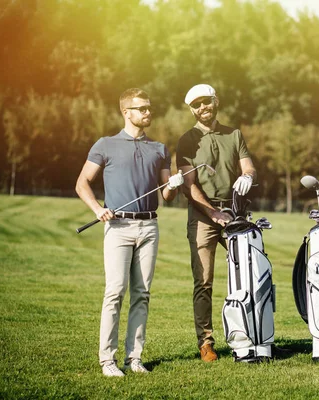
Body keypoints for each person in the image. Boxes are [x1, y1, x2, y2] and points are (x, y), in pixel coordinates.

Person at [75, 88, 184, 377]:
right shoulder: (105, 145)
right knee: (115, 292)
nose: (148, 112)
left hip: (149, 226)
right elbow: (82, 183)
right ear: (127, 112)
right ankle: (107, 361)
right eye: (142, 108)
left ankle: (134, 358)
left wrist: (173, 183)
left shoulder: (159, 149)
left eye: (149, 108)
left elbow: (167, 196)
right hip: (118, 227)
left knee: (142, 294)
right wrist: (98, 209)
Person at [176, 84, 257, 362]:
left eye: (206, 102)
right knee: (204, 281)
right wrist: (213, 214)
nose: (202, 108)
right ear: (191, 109)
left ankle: (249, 336)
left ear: (215, 101)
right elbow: (189, 185)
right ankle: (206, 342)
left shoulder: (234, 134)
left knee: (248, 276)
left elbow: (248, 166)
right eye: (196, 105)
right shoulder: (187, 141)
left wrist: (248, 176)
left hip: (235, 213)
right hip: (203, 217)